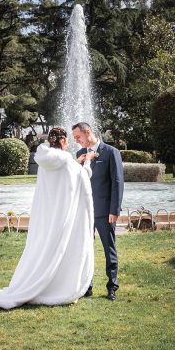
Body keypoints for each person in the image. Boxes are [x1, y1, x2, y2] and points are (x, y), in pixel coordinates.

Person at [0, 127, 95, 315]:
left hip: (47, 217)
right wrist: (86, 164)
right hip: (60, 218)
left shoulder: (45, 161)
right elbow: (81, 178)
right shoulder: (68, 163)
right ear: (63, 142)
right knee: (58, 250)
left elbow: (60, 180)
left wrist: (77, 164)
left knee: (43, 250)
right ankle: (54, 286)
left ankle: (39, 281)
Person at [72, 122, 124, 301]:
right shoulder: (80, 155)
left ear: (88, 133)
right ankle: (87, 286)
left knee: (109, 249)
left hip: (105, 211)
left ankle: (112, 287)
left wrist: (114, 209)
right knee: (85, 249)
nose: (77, 141)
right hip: (85, 212)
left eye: (78, 137)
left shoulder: (110, 152)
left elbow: (117, 182)